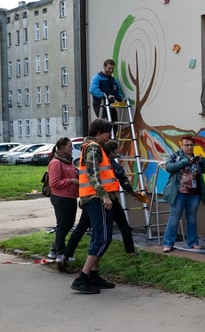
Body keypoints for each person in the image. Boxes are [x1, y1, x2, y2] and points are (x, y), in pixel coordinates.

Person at [63, 141, 141, 263]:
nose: (118, 152)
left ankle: (66, 255)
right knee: (122, 225)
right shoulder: (111, 164)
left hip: (90, 199)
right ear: (111, 152)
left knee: (81, 228)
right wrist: (134, 194)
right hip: (107, 199)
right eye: (116, 150)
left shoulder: (96, 160)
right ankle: (130, 251)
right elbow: (123, 181)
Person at [70, 118, 120, 294]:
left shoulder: (94, 146)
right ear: (100, 132)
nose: (109, 136)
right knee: (103, 237)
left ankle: (93, 275)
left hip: (94, 197)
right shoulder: (93, 147)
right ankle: (82, 277)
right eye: (108, 132)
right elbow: (92, 174)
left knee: (98, 236)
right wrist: (104, 195)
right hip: (96, 198)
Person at [162, 136, 205, 252]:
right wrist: (185, 161)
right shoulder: (176, 156)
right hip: (178, 193)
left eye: (191, 145)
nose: (189, 147)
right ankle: (168, 243)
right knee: (174, 217)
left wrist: (203, 160)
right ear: (181, 145)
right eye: (187, 145)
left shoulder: (197, 158)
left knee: (192, 218)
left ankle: (192, 242)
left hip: (194, 193)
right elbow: (169, 167)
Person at [47, 137, 79, 271]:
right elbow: (53, 183)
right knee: (62, 225)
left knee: (69, 224)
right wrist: (71, 181)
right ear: (61, 148)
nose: (72, 149)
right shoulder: (56, 162)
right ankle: (61, 253)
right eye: (70, 146)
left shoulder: (68, 162)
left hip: (71, 197)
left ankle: (54, 250)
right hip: (60, 198)